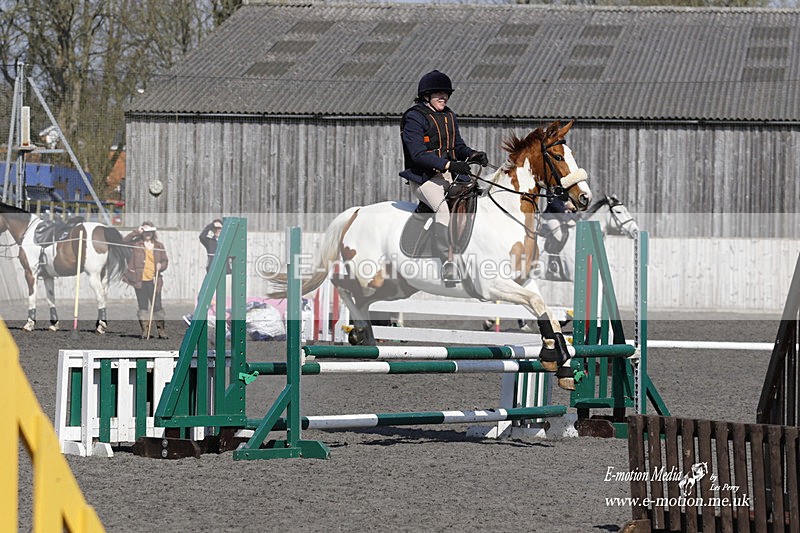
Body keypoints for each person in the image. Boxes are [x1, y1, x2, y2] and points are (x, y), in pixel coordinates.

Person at [400, 70, 488, 284]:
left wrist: (472, 154)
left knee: (474, 199)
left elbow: (457, 146)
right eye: (438, 93)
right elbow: (417, 154)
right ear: (426, 96)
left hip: (448, 175)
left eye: (446, 94)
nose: (444, 97)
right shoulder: (414, 117)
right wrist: (449, 164)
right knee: (443, 209)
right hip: (424, 178)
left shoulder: (449, 115)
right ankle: (447, 263)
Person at [123, 221, 169, 339]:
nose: (147, 234)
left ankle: (161, 331)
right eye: (145, 231)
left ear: (153, 233)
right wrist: (136, 232)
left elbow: (165, 261)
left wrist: (161, 266)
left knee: (157, 306)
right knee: (143, 306)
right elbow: (124, 242)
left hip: (154, 281)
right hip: (139, 281)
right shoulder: (136, 244)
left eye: (150, 232)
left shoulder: (159, 246)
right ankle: (145, 331)